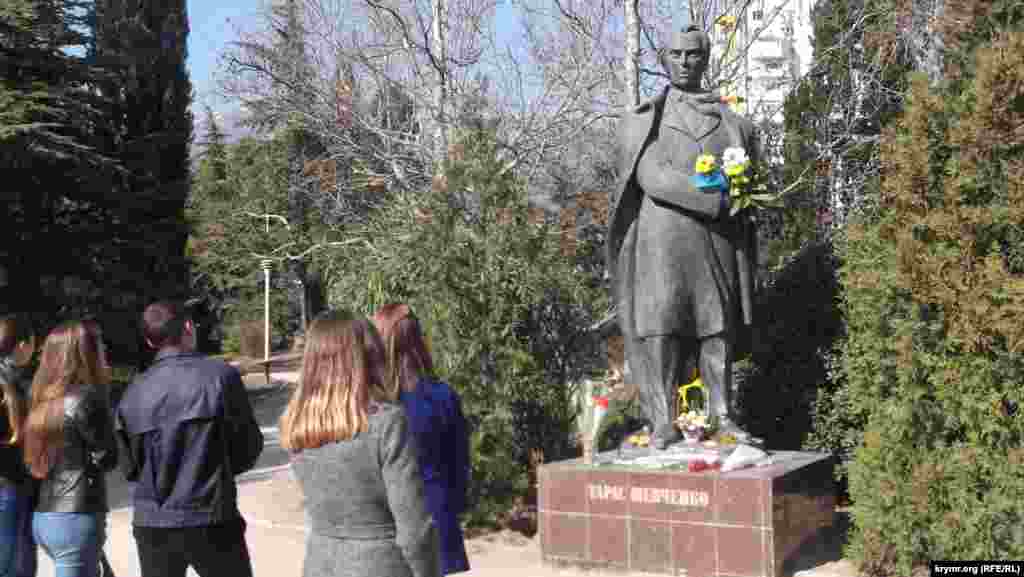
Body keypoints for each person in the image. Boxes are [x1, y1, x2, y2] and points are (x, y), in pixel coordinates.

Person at [607, 24, 761, 449]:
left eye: (693, 55)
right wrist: (712, 200)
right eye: (676, 54)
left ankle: (723, 415)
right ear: (664, 60)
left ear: (705, 59)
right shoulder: (644, 119)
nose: (684, 62)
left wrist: (738, 197)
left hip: (714, 241)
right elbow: (651, 176)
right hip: (662, 240)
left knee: (718, 329)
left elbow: (747, 180)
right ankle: (662, 419)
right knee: (662, 328)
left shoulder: (734, 123)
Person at [281, 310, 440, 577]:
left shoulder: (296, 424)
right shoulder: (386, 423)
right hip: (380, 564)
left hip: (320, 563)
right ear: (368, 354)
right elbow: (413, 527)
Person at [115, 301, 263, 577]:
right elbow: (247, 448)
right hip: (211, 516)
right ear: (187, 327)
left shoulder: (134, 391)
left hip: (153, 522)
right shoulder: (220, 377)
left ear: (149, 341)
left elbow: (130, 467)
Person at [371, 304, 470, 575]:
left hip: (389, 523)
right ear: (418, 338)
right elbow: (459, 464)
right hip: (438, 514)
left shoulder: (374, 404)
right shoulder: (443, 395)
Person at [22, 320, 118, 577]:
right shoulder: (87, 398)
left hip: (46, 516)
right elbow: (109, 457)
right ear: (83, 352)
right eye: (97, 344)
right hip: (77, 515)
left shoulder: (41, 400)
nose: (103, 348)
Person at [0, 316, 36, 577]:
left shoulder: (14, 381)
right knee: (15, 563)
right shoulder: (15, 384)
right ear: (22, 345)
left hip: (12, 483)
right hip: (11, 484)